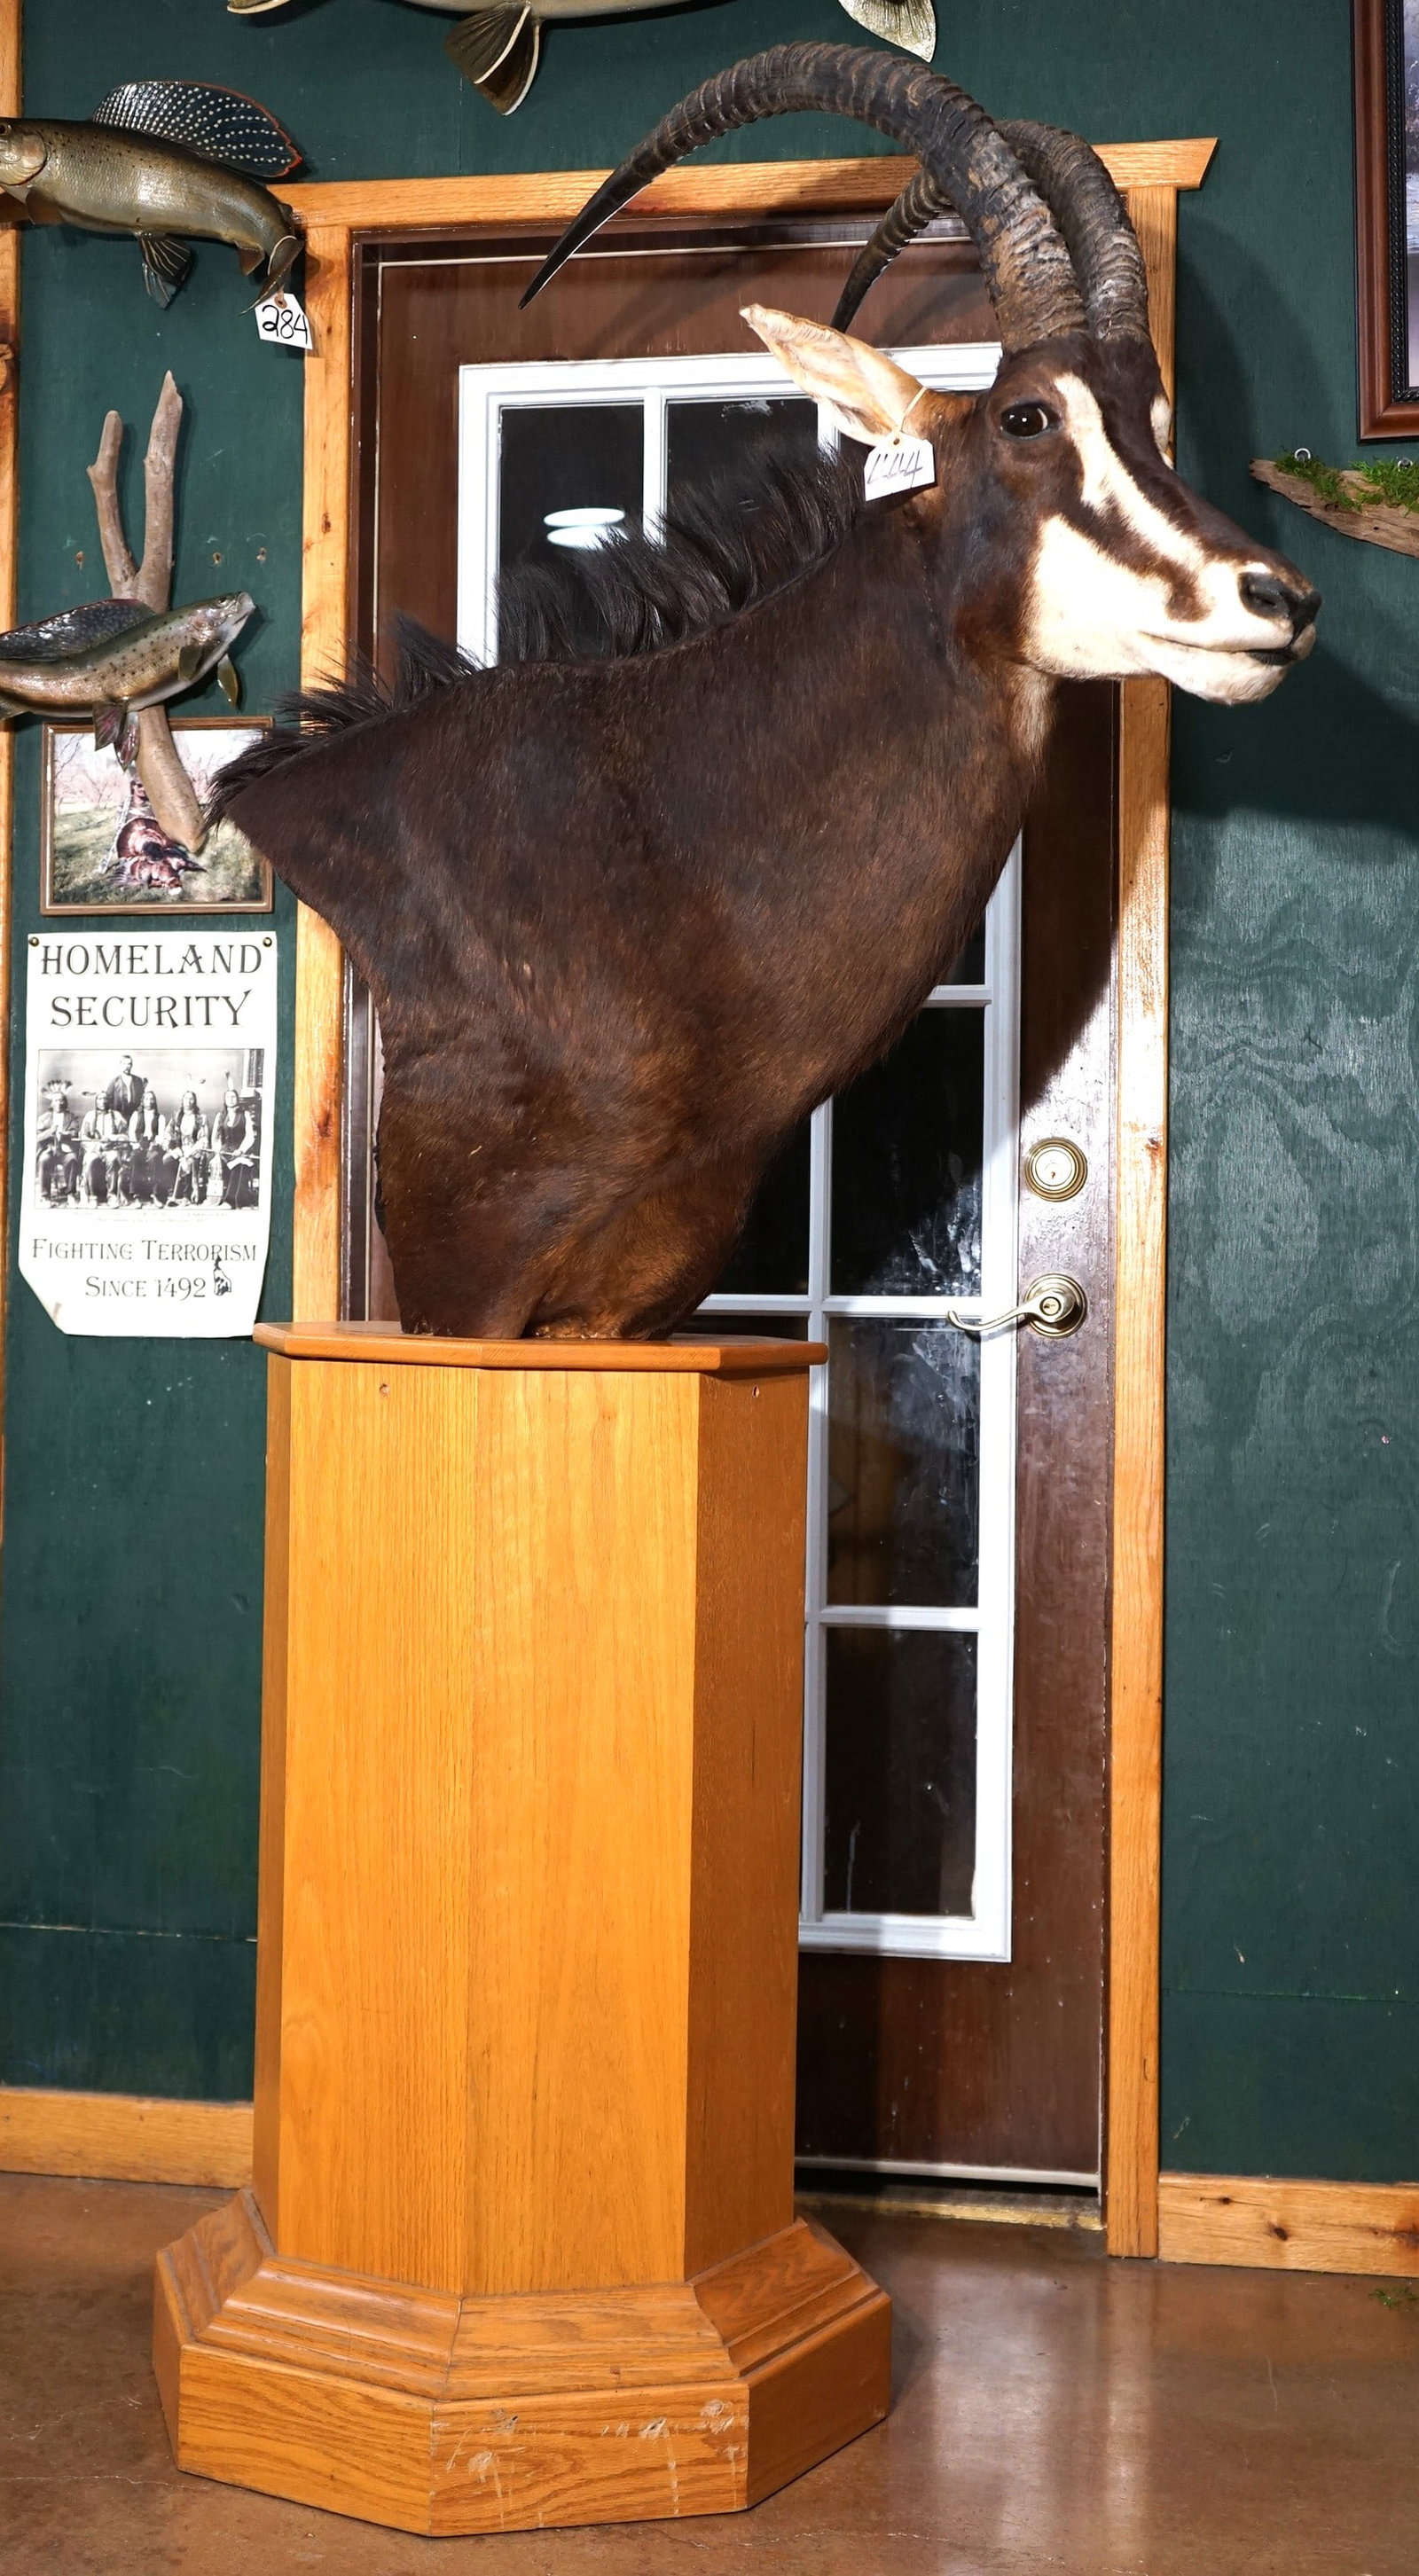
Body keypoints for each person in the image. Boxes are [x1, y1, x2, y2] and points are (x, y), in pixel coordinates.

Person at [209, 1083, 256, 1210]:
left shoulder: (244, 1114)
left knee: (242, 1165)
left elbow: (250, 1136)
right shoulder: (220, 1116)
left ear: (237, 1099)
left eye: (233, 1097)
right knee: (237, 1164)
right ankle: (236, 1201)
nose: (230, 1099)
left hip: (241, 1151)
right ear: (225, 1100)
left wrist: (241, 1150)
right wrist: (217, 1150)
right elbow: (216, 1137)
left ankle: (235, 1201)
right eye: (228, 1097)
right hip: (224, 1153)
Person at [35, 1083, 79, 1204]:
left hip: (65, 1150)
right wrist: (51, 1131)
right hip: (49, 1150)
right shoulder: (44, 1118)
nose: (58, 1103)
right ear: (51, 1103)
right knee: (44, 1160)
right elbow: (38, 1136)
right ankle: (45, 1196)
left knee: (72, 1159)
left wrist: (64, 1134)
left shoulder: (71, 1117)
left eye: (61, 1100)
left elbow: (75, 1132)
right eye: (56, 1100)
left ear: (64, 1102)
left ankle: (71, 1193)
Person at [163, 1089, 208, 1206]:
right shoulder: (176, 1117)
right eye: (186, 1098)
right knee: (167, 1160)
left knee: (191, 1162)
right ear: (182, 1101)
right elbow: (168, 1134)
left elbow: (203, 1138)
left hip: (193, 1150)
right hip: (179, 1149)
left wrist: (192, 1150)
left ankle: (187, 1195)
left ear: (195, 1101)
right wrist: (175, 1149)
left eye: (191, 1099)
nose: (188, 1101)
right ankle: (174, 1191)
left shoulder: (200, 1118)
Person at [127, 1084, 169, 1205]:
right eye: (146, 1098)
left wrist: (155, 1144)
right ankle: (136, 1196)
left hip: (153, 1146)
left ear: (154, 1101)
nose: (149, 1101)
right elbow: (131, 1133)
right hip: (139, 1145)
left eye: (151, 1099)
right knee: (136, 1158)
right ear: (142, 1100)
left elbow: (161, 1135)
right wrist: (136, 1146)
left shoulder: (160, 1118)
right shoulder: (136, 1115)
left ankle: (154, 1194)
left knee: (155, 1158)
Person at [76, 1097, 112, 1205]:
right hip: (94, 1149)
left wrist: (113, 1139)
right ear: (96, 1101)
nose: (103, 1101)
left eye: (105, 1099)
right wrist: (96, 1146)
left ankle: (112, 1195)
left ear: (108, 1101)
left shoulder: (116, 1116)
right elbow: (84, 1136)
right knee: (91, 1160)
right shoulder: (90, 1116)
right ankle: (93, 1195)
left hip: (111, 1148)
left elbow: (124, 1135)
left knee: (114, 1159)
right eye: (100, 1099)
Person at [103, 1054, 145, 1128]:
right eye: (124, 1064)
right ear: (120, 1065)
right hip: (118, 1118)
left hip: (135, 1117)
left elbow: (142, 1099)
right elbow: (108, 1100)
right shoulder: (114, 1082)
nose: (127, 1066)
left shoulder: (138, 1081)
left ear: (131, 1065)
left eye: (129, 1064)